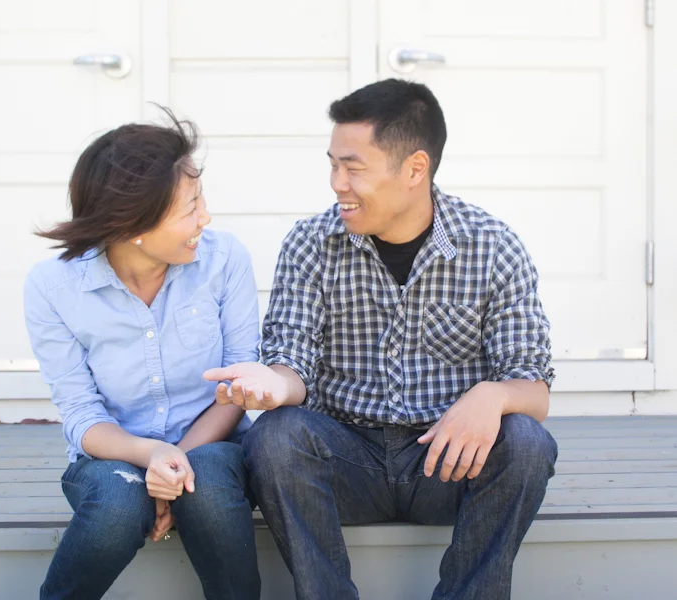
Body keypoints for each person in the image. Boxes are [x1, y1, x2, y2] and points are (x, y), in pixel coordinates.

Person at [203, 78, 558, 600]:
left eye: (354, 167)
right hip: (345, 462)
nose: (336, 182)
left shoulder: (493, 246)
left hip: (448, 460)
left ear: (415, 169)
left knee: (527, 443)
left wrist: (494, 394)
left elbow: (535, 388)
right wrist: (275, 387)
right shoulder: (311, 243)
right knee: (275, 437)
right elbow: (291, 364)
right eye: (332, 164)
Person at [24, 110, 261, 600]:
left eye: (202, 200)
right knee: (116, 501)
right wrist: (150, 456)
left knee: (209, 487)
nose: (206, 218)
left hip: (214, 447)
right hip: (116, 455)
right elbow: (81, 415)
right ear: (133, 224)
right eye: (189, 208)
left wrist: (174, 469)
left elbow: (236, 386)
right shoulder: (53, 287)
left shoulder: (224, 259)